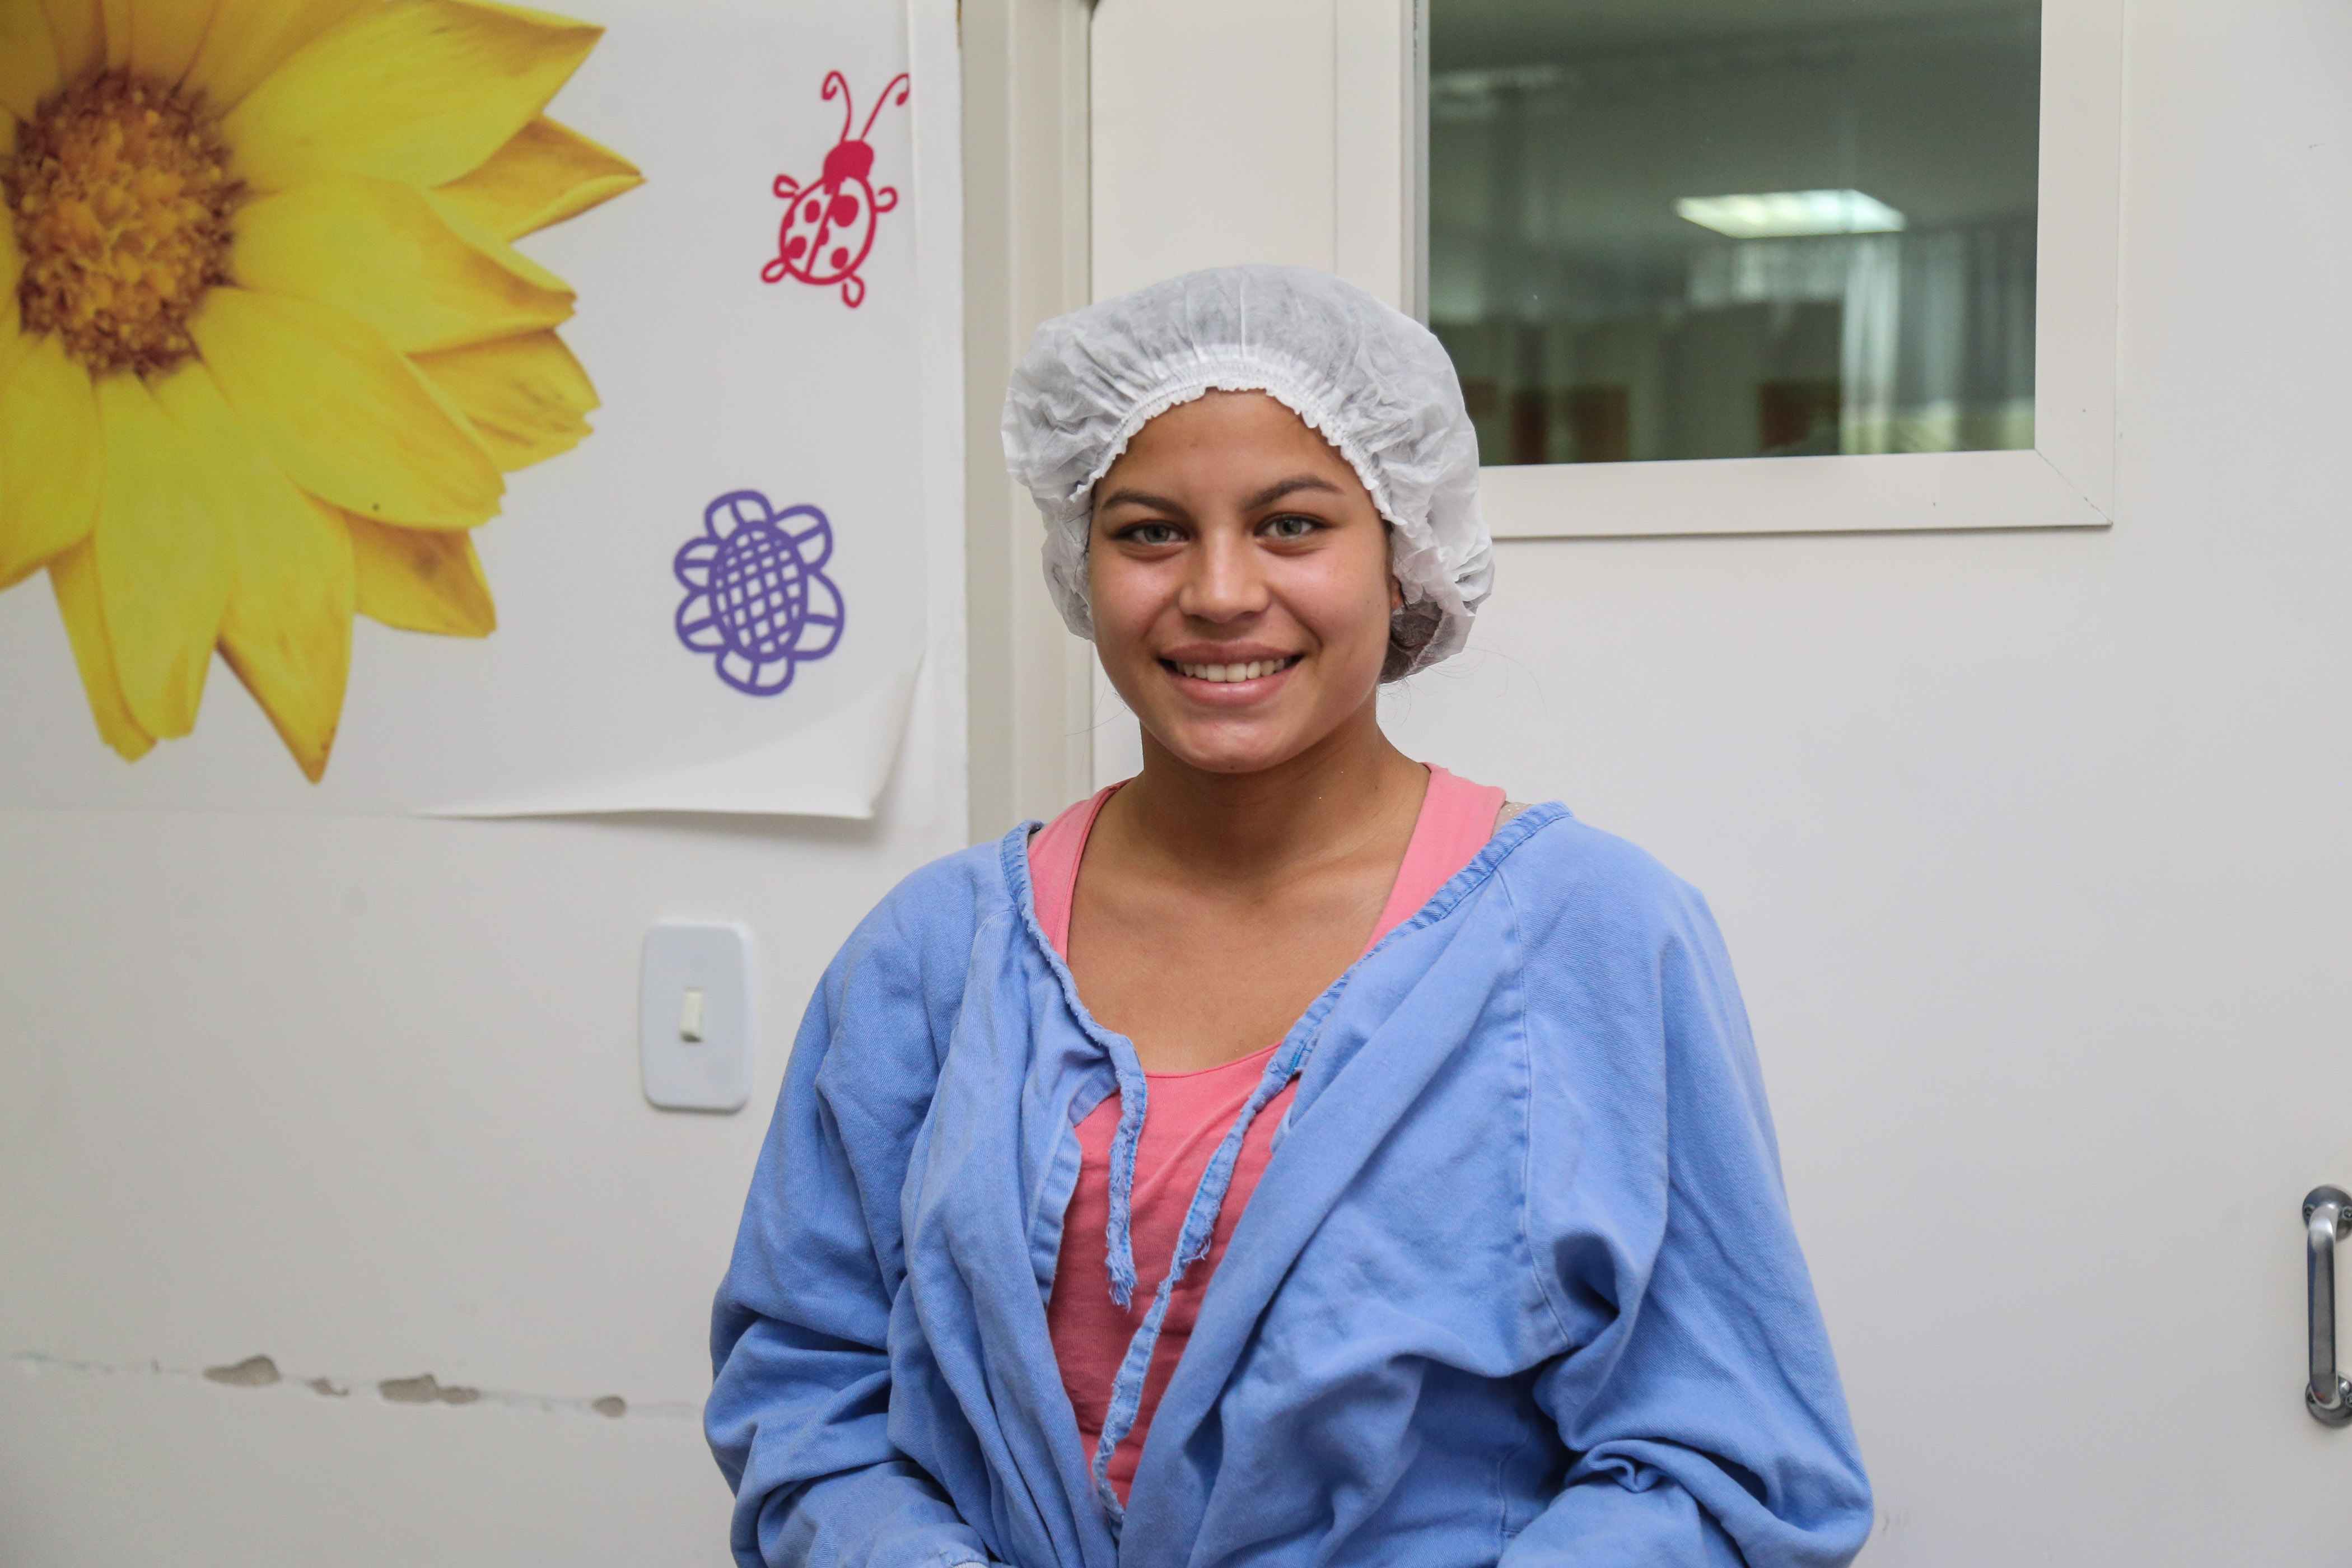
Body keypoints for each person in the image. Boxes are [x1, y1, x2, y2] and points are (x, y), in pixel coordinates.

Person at [706, 265, 1872, 1568]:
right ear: (1080, 567)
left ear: (1402, 554)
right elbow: (808, 1393)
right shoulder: (935, 956)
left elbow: (1724, 1460)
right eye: (1148, 530)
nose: (1215, 591)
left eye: (1291, 525)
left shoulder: (1591, 936)